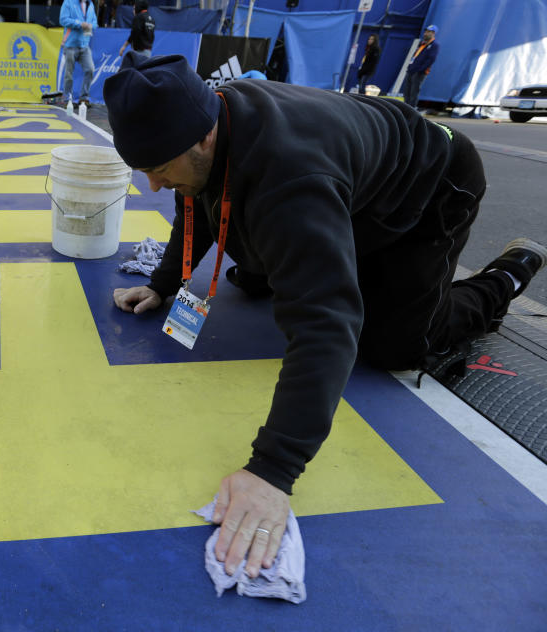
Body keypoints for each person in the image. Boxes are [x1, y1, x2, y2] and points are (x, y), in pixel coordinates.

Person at [104, 54, 545, 579]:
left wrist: (273, 469)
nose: (153, 186)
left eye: (159, 169)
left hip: (430, 187)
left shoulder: (288, 181)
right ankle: (337, 260)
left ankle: (508, 275)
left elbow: (326, 326)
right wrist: (163, 284)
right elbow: (196, 199)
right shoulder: (209, 122)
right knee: (253, 257)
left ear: (203, 137)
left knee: (393, 346)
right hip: (347, 186)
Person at [59, 0, 97, 107]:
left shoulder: (90, 4)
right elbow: (63, 20)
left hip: (84, 45)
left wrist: (90, 26)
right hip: (70, 44)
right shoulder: (68, 2)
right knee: (69, 74)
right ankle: (67, 99)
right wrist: (80, 24)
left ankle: (84, 98)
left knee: (90, 69)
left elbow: (95, 22)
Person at [403, 25, 439, 109]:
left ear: (433, 33)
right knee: (407, 90)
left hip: (419, 72)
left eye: (428, 32)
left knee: (414, 91)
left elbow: (431, 59)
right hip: (411, 70)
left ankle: (411, 109)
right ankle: (405, 107)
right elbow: (415, 56)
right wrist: (410, 67)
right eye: (425, 31)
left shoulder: (434, 45)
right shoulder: (422, 43)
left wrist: (420, 69)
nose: (426, 33)